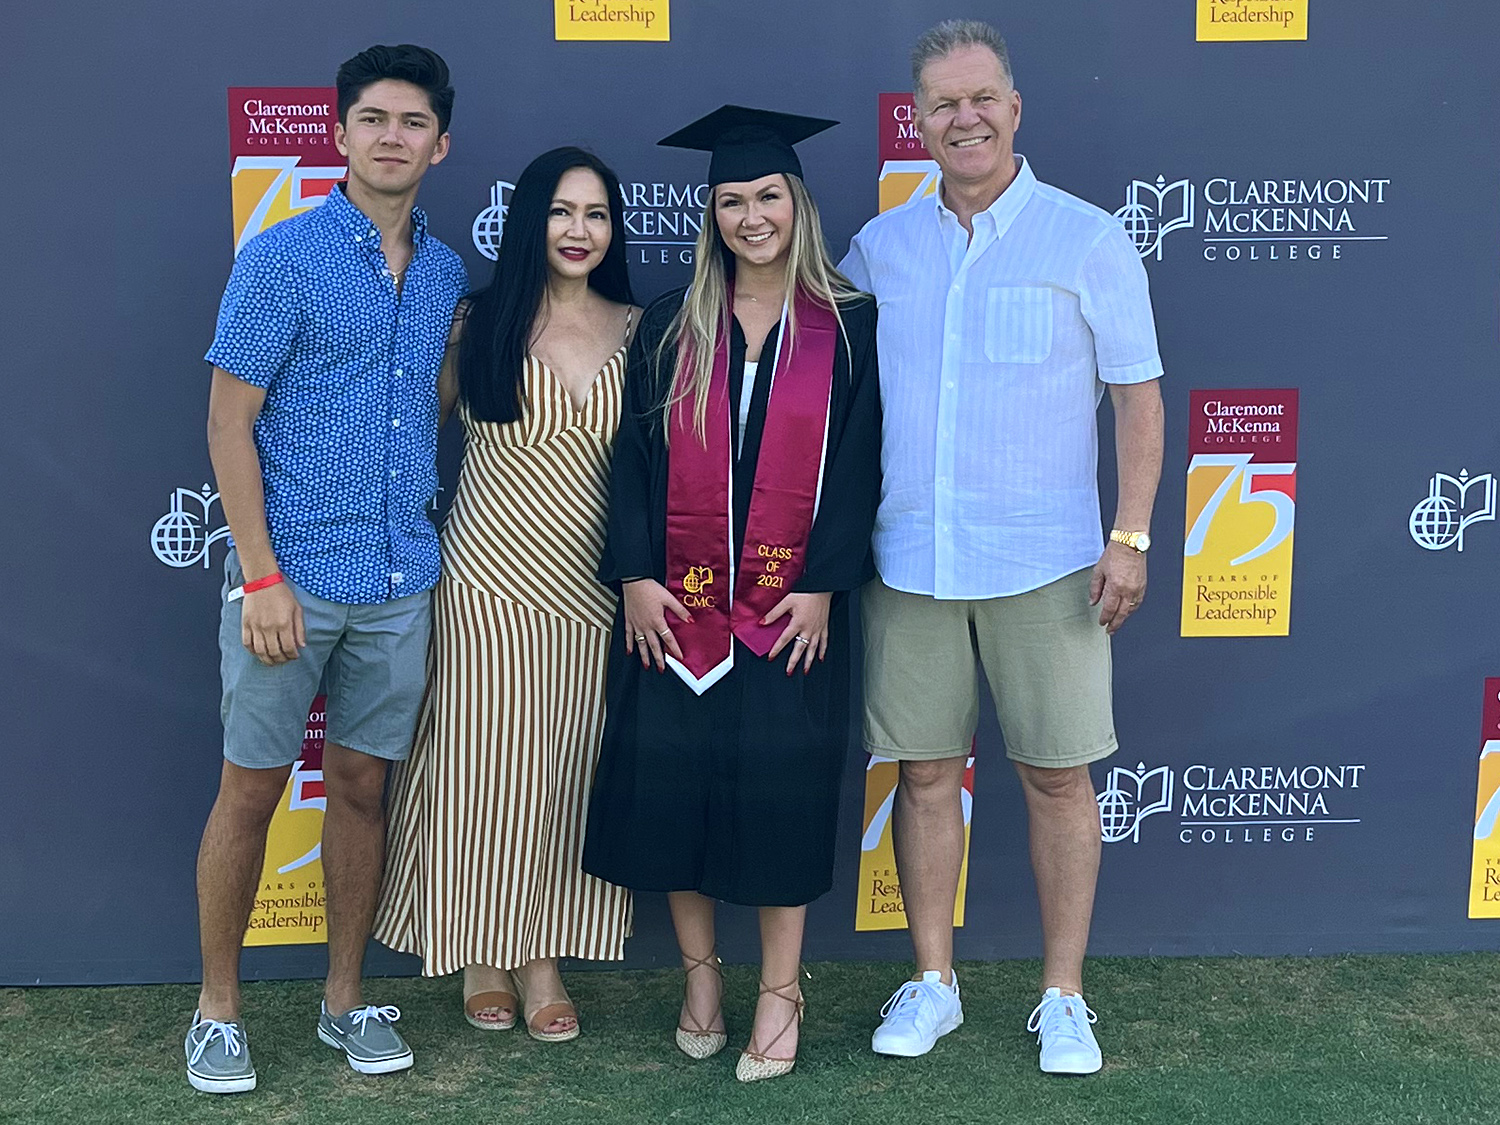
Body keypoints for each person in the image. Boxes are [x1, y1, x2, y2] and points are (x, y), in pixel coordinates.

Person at [841, 20, 1164, 1075]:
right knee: (926, 776)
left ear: (1014, 109)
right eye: (942, 104)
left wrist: (1131, 535)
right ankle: (934, 982)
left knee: (1059, 781)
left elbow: (1138, 398)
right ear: (918, 121)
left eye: (981, 98)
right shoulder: (880, 247)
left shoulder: (1087, 237)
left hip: (1051, 565)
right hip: (912, 562)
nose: (963, 117)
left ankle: (1063, 995)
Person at [185, 45, 466, 1094]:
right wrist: (258, 576)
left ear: (441, 145)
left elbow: (432, 400)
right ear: (340, 134)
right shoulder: (282, 256)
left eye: (412, 123)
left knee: (359, 789)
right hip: (290, 578)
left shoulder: (442, 273)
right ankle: (218, 1010)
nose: (392, 137)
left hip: (401, 582)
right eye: (373, 119)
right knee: (250, 792)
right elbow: (227, 419)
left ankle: (344, 1002)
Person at [582, 105, 881, 1083]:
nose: (751, 216)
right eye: (731, 201)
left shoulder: (848, 324)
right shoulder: (674, 321)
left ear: (797, 202)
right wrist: (632, 573)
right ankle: (702, 979)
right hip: (680, 610)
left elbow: (859, 467)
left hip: (790, 615)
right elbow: (633, 460)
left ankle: (781, 994)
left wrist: (826, 586)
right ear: (710, 213)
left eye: (767, 197)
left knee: (779, 801)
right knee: (680, 797)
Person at [374, 148, 639, 1043]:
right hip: (484, 579)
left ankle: (545, 953)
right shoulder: (477, 321)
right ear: (531, 220)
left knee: (566, 775)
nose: (579, 230)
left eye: (596, 214)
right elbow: (411, 439)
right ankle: (487, 954)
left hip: (594, 593)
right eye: (562, 212)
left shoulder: (644, 330)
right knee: (485, 772)